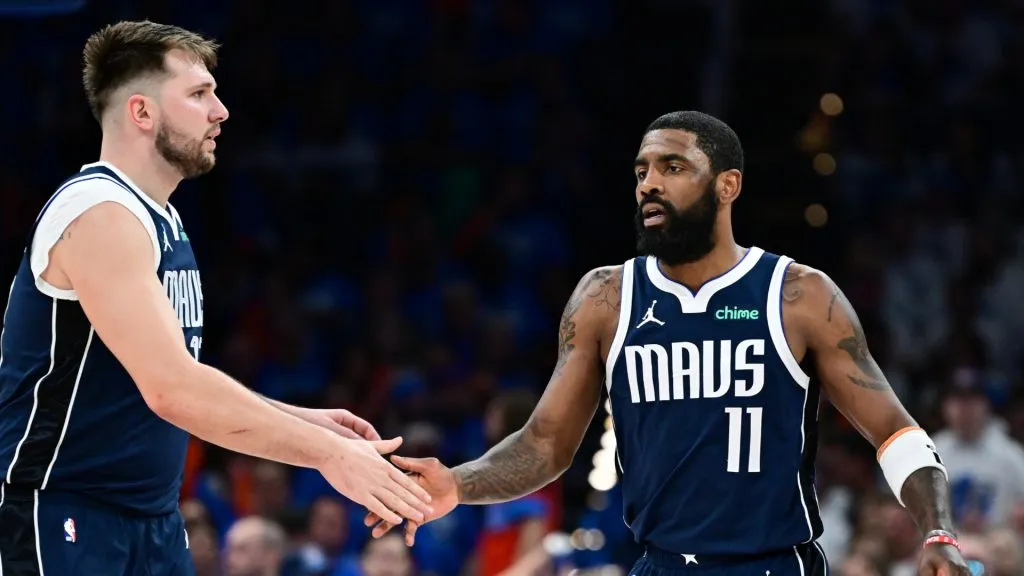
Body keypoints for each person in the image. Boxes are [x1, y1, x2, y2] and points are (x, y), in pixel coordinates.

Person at [365, 111, 971, 575]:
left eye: (672, 168)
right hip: (657, 561)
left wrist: (937, 530)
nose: (650, 184)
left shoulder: (799, 295)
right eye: (641, 171)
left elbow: (896, 433)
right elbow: (545, 445)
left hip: (774, 563)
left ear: (727, 184)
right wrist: (458, 484)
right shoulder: (605, 298)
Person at [0, 20, 430, 575]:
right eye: (199, 94)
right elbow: (172, 390)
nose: (220, 110)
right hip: (64, 514)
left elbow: (174, 377)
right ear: (142, 112)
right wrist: (326, 454)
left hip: (152, 520)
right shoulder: (98, 212)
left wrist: (305, 422)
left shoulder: (164, 220)